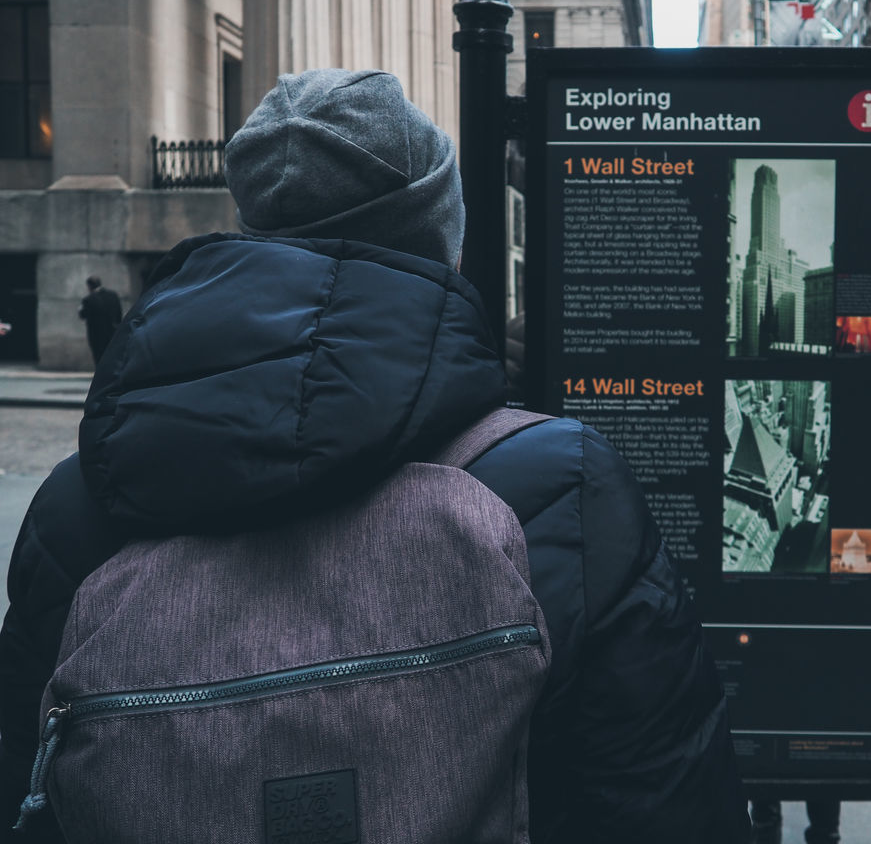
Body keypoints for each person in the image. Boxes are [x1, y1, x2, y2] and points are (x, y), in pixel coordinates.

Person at [0, 70, 750, 844]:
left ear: (252, 231)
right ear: (443, 245)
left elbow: (27, 796)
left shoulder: (80, 509)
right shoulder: (558, 485)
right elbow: (668, 803)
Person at [77, 275, 123, 366]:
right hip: (112, 332)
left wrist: (80, 309)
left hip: (96, 335)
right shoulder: (113, 295)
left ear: (89, 286)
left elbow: (82, 315)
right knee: (112, 356)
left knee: (99, 356)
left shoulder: (88, 299)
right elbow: (119, 314)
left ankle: (101, 376)